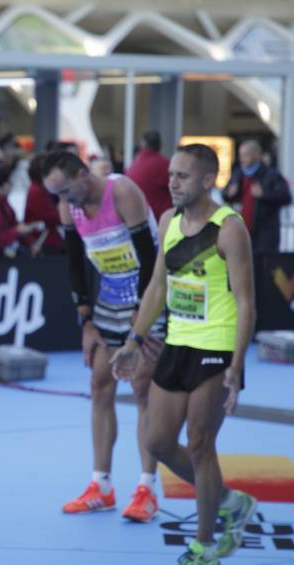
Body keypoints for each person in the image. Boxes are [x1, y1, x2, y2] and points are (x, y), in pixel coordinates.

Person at [111, 144, 258, 564]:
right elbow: (158, 286)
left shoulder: (229, 228)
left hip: (216, 347)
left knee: (199, 444)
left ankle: (206, 544)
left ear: (208, 180)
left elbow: (247, 301)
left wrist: (237, 363)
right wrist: (134, 341)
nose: (171, 182)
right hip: (178, 343)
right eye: (171, 174)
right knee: (157, 441)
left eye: (182, 176)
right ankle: (229, 501)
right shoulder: (167, 221)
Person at [42, 151, 164, 522]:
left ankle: (147, 489)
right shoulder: (70, 207)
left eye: (66, 190)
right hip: (109, 298)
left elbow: (149, 259)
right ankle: (102, 486)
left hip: (149, 295)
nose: (64, 201)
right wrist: (87, 323)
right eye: (56, 195)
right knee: (100, 384)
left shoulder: (122, 192)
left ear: (83, 174)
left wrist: (139, 324)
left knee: (143, 388)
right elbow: (75, 265)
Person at [223, 139, 291, 254]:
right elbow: (226, 194)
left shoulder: (272, 175)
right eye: (240, 155)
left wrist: (264, 195)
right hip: (241, 230)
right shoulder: (238, 173)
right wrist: (228, 194)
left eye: (245, 155)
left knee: (262, 267)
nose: (242, 159)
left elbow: (286, 197)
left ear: (256, 155)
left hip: (265, 233)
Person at [126, 130, 172, 222]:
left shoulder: (132, 166)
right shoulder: (165, 165)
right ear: (161, 144)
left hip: (139, 219)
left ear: (142, 145)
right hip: (159, 221)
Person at [23, 154, 64, 256]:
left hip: (48, 238)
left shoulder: (40, 188)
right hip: (44, 240)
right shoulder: (37, 191)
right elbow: (50, 217)